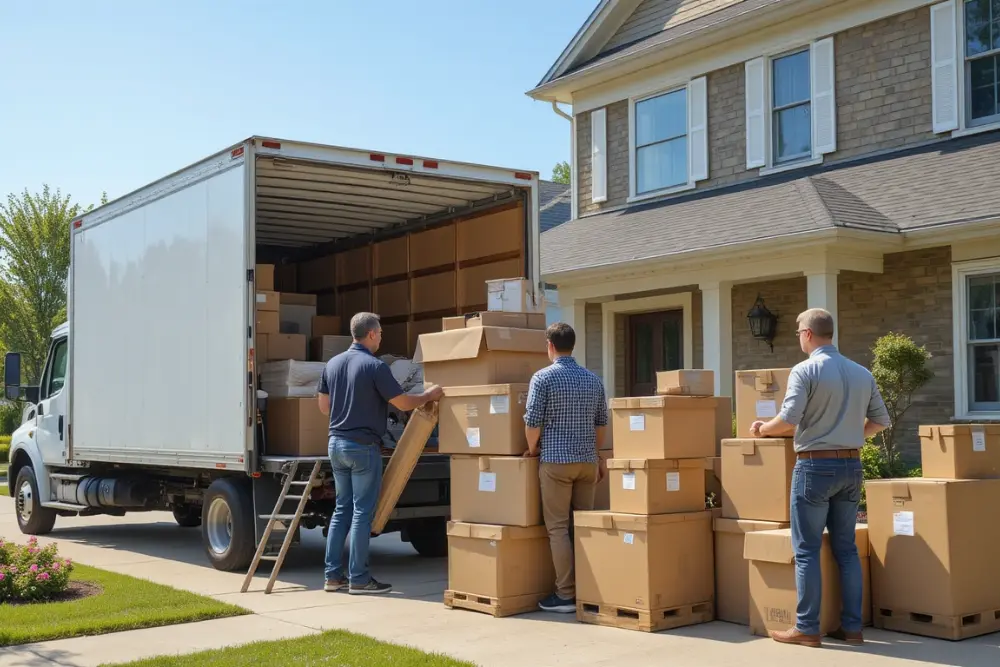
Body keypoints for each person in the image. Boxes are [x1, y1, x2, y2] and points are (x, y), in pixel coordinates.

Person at [749, 308, 890, 648]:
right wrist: (850, 435)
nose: (798, 336)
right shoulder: (861, 372)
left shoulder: (805, 370)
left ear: (809, 334)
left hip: (814, 467)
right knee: (845, 550)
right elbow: (881, 421)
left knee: (808, 549)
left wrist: (762, 429)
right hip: (852, 466)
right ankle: (852, 628)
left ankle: (807, 628)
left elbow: (789, 418)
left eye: (799, 331)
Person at [317, 312, 443, 595]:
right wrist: (428, 396)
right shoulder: (375, 366)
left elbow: (324, 407)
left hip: (335, 444)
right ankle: (359, 579)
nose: (382, 337)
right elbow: (402, 402)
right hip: (362, 447)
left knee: (341, 510)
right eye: (381, 333)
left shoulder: (333, 364)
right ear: (371, 334)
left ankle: (332, 576)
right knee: (362, 513)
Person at [523, 322, 608, 613]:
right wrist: (597, 456)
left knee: (558, 528)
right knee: (583, 526)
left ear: (550, 346)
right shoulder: (593, 380)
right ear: (574, 345)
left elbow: (532, 422)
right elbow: (601, 426)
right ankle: (590, 588)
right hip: (587, 462)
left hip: (557, 461)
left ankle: (565, 594)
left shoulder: (542, 378)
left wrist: (532, 449)